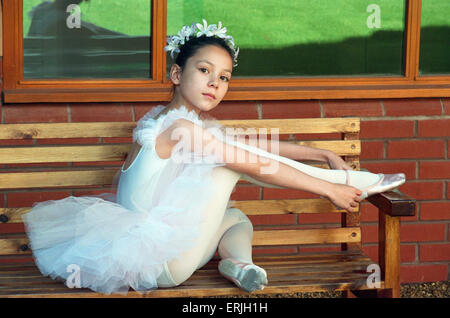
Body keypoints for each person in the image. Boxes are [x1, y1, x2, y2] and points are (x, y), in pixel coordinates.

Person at [22, 19, 406, 296]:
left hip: (156, 248)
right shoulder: (179, 130)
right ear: (176, 73)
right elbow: (250, 160)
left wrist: (319, 151)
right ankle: (355, 184)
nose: (214, 83)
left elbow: (254, 144)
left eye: (223, 77)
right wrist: (328, 189)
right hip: (159, 260)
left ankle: (239, 265)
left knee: (236, 218)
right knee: (229, 164)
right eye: (204, 70)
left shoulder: (170, 119)